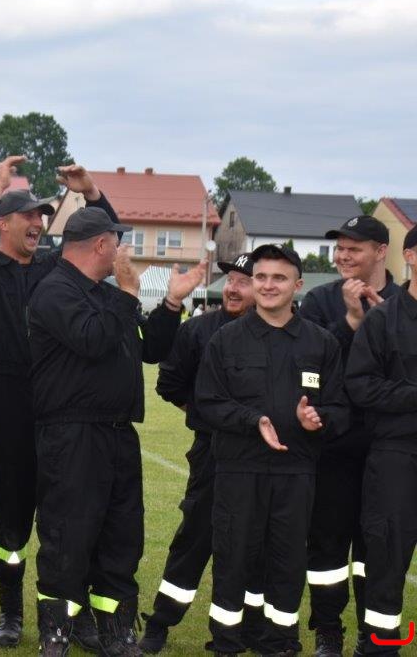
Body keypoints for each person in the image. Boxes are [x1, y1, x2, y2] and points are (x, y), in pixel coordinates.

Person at [0, 156, 120, 648]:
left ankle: (74, 612)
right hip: (6, 409)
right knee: (11, 519)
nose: (38, 222)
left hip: (60, 407)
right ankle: (11, 612)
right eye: (27, 214)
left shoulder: (53, 268)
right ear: (2, 224)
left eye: (42, 216)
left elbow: (103, 238)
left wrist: (91, 191)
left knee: (69, 516)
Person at [28, 206, 205, 657]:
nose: (124, 252)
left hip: (118, 433)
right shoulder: (55, 291)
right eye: (119, 242)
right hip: (71, 433)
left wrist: (171, 304)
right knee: (68, 535)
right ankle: (57, 633)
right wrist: (128, 292)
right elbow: (92, 339)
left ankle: (117, 631)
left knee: (121, 536)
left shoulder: (107, 295)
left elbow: (150, 348)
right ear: (101, 244)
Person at [196, 244, 348, 656]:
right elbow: (208, 401)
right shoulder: (226, 340)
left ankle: (281, 640)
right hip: (238, 470)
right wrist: (253, 420)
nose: (267, 285)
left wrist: (317, 419)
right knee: (233, 557)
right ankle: (226, 640)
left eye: (279, 278)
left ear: (297, 285)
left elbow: (341, 408)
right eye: (260, 277)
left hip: (296, 472)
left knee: (287, 560)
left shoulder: (321, 343)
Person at [140, 253, 260, 653]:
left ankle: (249, 628)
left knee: (256, 542)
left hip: (265, 458)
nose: (233, 288)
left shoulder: (279, 332)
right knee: (195, 536)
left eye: (244, 281)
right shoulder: (200, 330)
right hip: (213, 452)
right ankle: (161, 621)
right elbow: (169, 384)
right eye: (231, 280)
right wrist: (207, 415)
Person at [298, 215, 399, 655]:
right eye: (339, 248)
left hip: (388, 447)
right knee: (327, 547)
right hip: (334, 447)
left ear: (381, 251)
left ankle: (371, 634)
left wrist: (380, 319)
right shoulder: (319, 300)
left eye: (353, 248)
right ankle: (328, 630)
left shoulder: (404, 302)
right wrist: (352, 322)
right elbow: (309, 365)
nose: (342, 256)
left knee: (378, 548)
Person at [345, 226, 417, 654]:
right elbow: (361, 386)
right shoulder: (383, 319)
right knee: (387, 557)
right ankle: (378, 646)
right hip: (397, 454)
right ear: (410, 256)